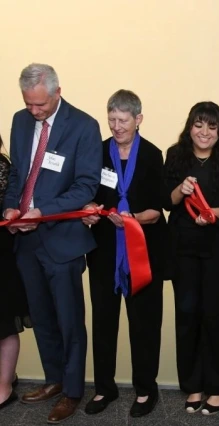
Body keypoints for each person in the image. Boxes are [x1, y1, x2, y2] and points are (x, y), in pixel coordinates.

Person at [3, 63, 102, 423]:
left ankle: (73, 390)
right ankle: (54, 379)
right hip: (26, 241)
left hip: (62, 240)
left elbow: (85, 186)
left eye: (40, 105)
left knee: (69, 319)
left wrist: (42, 211)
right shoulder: (19, 120)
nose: (34, 111)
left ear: (57, 92)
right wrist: (13, 206)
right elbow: (17, 174)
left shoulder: (84, 126)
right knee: (41, 316)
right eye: (28, 104)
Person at [81, 90, 165, 417]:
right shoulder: (98, 152)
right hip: (104, 251)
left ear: (138, 119)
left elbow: (157, 210)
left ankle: (146, 389)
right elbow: (87, 194)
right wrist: (88, 208)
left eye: (123, 120)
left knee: (143, 324)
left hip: (142, 252)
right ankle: (105, 388)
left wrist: (132, 219)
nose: (116, 127)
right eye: (111, 119)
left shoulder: (153, 155)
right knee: (103, 321)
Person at [164, 101, 219, 415]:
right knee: (187, 318)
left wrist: (215, 214)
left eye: (212, 126)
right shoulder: (175, 154)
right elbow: (165, 201)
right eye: (199, 125)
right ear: (190, 126)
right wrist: (180, 191)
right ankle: (194, 386)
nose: (204, 132)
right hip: (184, 249)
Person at [0, 133, 31, 411]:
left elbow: (9, 206)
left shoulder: (2, 167)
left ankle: (4, 386)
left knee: (5, 321)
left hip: (1, 254)